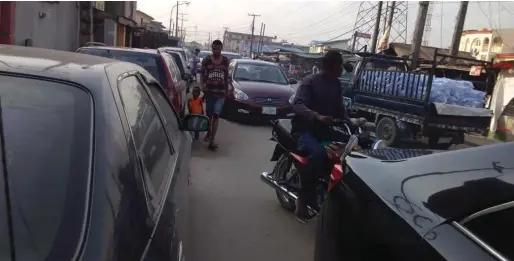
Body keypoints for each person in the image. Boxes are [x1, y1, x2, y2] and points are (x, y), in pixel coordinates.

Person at [291, 50, 354, 224]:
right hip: (305, 129)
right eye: (340, 65)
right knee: (318, 154)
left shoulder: (336, 84)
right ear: (330, 66)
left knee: (353, 149)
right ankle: (303, 200)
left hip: (325, 130)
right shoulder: (310, 82)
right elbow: (297, 105)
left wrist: (352, 123)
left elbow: (340, 110)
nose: (342, 69)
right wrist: (316, 116)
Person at [200, 40, 229, 150]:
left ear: (221, 48)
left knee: (216, 115)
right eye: (213, 48)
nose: (215, 50)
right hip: (209, 92)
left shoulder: (225, 61)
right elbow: (202, 74)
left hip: (220, 93)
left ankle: (212, 140)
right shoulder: (206, 60)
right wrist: (202, 85)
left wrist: (227, 89)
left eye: (217, 48)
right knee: (209, 115)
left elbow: (226, 77)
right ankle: (209, 132)